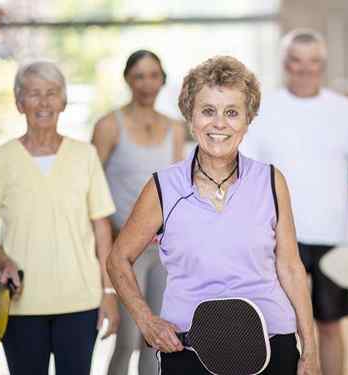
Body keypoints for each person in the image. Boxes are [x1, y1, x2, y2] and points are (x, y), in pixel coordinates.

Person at [107, 55, 320, 374]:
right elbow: (118, 259)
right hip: (188, 349)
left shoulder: (272, 181)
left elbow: (290, 267)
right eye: (208, 111)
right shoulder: (163, 187)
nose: (219, 123)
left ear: (248, 120)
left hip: (272, 342)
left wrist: (311, 350)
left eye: (232, 112)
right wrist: (146, 320)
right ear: (190, 118)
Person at [241, 29, 348, 375]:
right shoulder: (262, 109)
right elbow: (248, 175)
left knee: (329, 325)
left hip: (333, 236)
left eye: (313, 62)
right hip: (276, 236)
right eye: (296, 60)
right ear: (284, 64)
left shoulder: (345, 109)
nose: (305, 69)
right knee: (277, 327)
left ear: (322, 65)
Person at [0, 61, 119, 375]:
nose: (44, 102)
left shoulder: (85, 156)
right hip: (20, 305)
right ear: (18, 103)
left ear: (63, 102)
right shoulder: (0, 160)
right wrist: (4, 261)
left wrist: (108, 293)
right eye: (33, 94)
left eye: (52, 93)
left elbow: (102, 230)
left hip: (80, 303)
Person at [92, 49, 185, 375]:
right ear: (128, 80)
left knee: (157, 337)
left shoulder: (175, 128)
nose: (147, 83)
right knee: (128, 338)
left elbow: (177, 187)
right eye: (139, 76)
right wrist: (104, 239)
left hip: (162, 249)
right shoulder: (108, 126)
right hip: (125, 249)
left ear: (162, 79)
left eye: (154, 75)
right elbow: (91, 189)